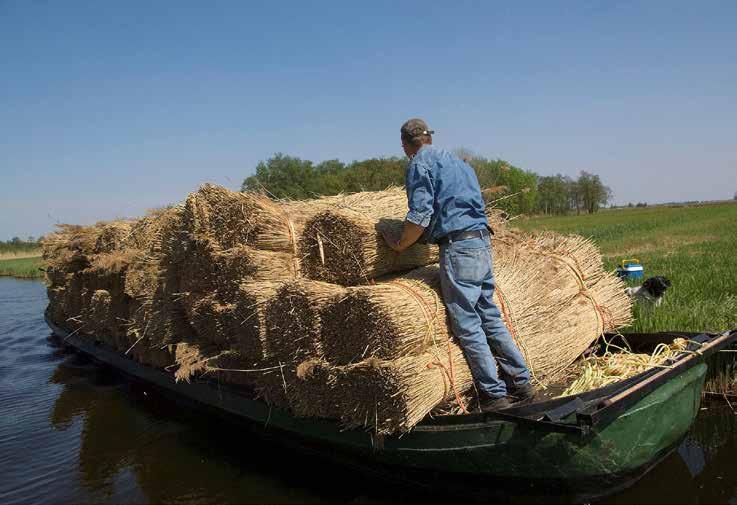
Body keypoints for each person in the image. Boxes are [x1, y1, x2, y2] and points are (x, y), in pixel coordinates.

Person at [382, 118, 534, 412]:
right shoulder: (459, 163)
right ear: (428, 137)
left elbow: (420, 214)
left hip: (458, 247)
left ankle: (494, 395)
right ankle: (522, 383)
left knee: (466, 322)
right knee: (489, 314)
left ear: (405, 144)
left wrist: (400, 244)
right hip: (480, 242)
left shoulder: (419, 164)